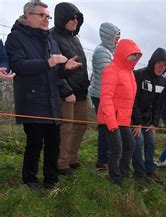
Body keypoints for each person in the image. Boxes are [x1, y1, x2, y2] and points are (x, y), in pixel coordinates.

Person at [6, 1, 81, 190]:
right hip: (32, 99)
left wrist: (66, 68)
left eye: (48, 17)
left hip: (52, 99)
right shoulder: (15, 38)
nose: (47, 20)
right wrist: (48, 62)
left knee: (53, 143)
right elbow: (19, 66)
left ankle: (51, 180)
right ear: (28, 15)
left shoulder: (49, 39)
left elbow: (55, 71)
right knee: (34, 143)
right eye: (42, 16)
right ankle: (30, 180)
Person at [50, 2, 89, 176]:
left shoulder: (75, 38)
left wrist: (85, 84)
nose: (75, 21)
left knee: (81, 125)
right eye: (72, 17)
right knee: (66, 128)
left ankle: (71, 158)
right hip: (65, 93)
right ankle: (61, 163)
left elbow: (81, 65)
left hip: (81, 91)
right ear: (61, 18)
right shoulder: (52, 37)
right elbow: (53, 69)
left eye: (77, 18)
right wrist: (66, 91)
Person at [97, 39, 142, 187]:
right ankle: (115, 179)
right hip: (111, 119)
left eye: (136, 55)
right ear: (124, 53)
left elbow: (130, 100)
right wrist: (111, 122)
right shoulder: (111, 70)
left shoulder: (130, 73)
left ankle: (123, 173)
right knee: (117, 148)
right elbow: (106, 97)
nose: (134, 58)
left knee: (129, 145)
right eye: (132, 54)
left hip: (123, 119)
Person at [131, 47, 166, 184]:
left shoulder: (163, 83)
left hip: (148, 120)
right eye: (159, 63)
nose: (161, 67)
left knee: (151, 142)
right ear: (153, 62)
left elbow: (158, 105)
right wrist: (137, 122)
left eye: (165, 65)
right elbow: (132, 101)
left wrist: (154, 123)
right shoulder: (138, 75)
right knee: (138, 142)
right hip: (134, 118)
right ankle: (139, 173)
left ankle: (150, 170)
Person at [89, 22, 121, 171]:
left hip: (108, 94)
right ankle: (103, 160)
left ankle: (106, 158)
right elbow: (108, 75)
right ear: (108, 37)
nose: (118, 40)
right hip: (101, 95)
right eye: (116, 37)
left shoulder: (112, 51)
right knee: (105, 127)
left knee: (107, 127)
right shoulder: (102, 52)